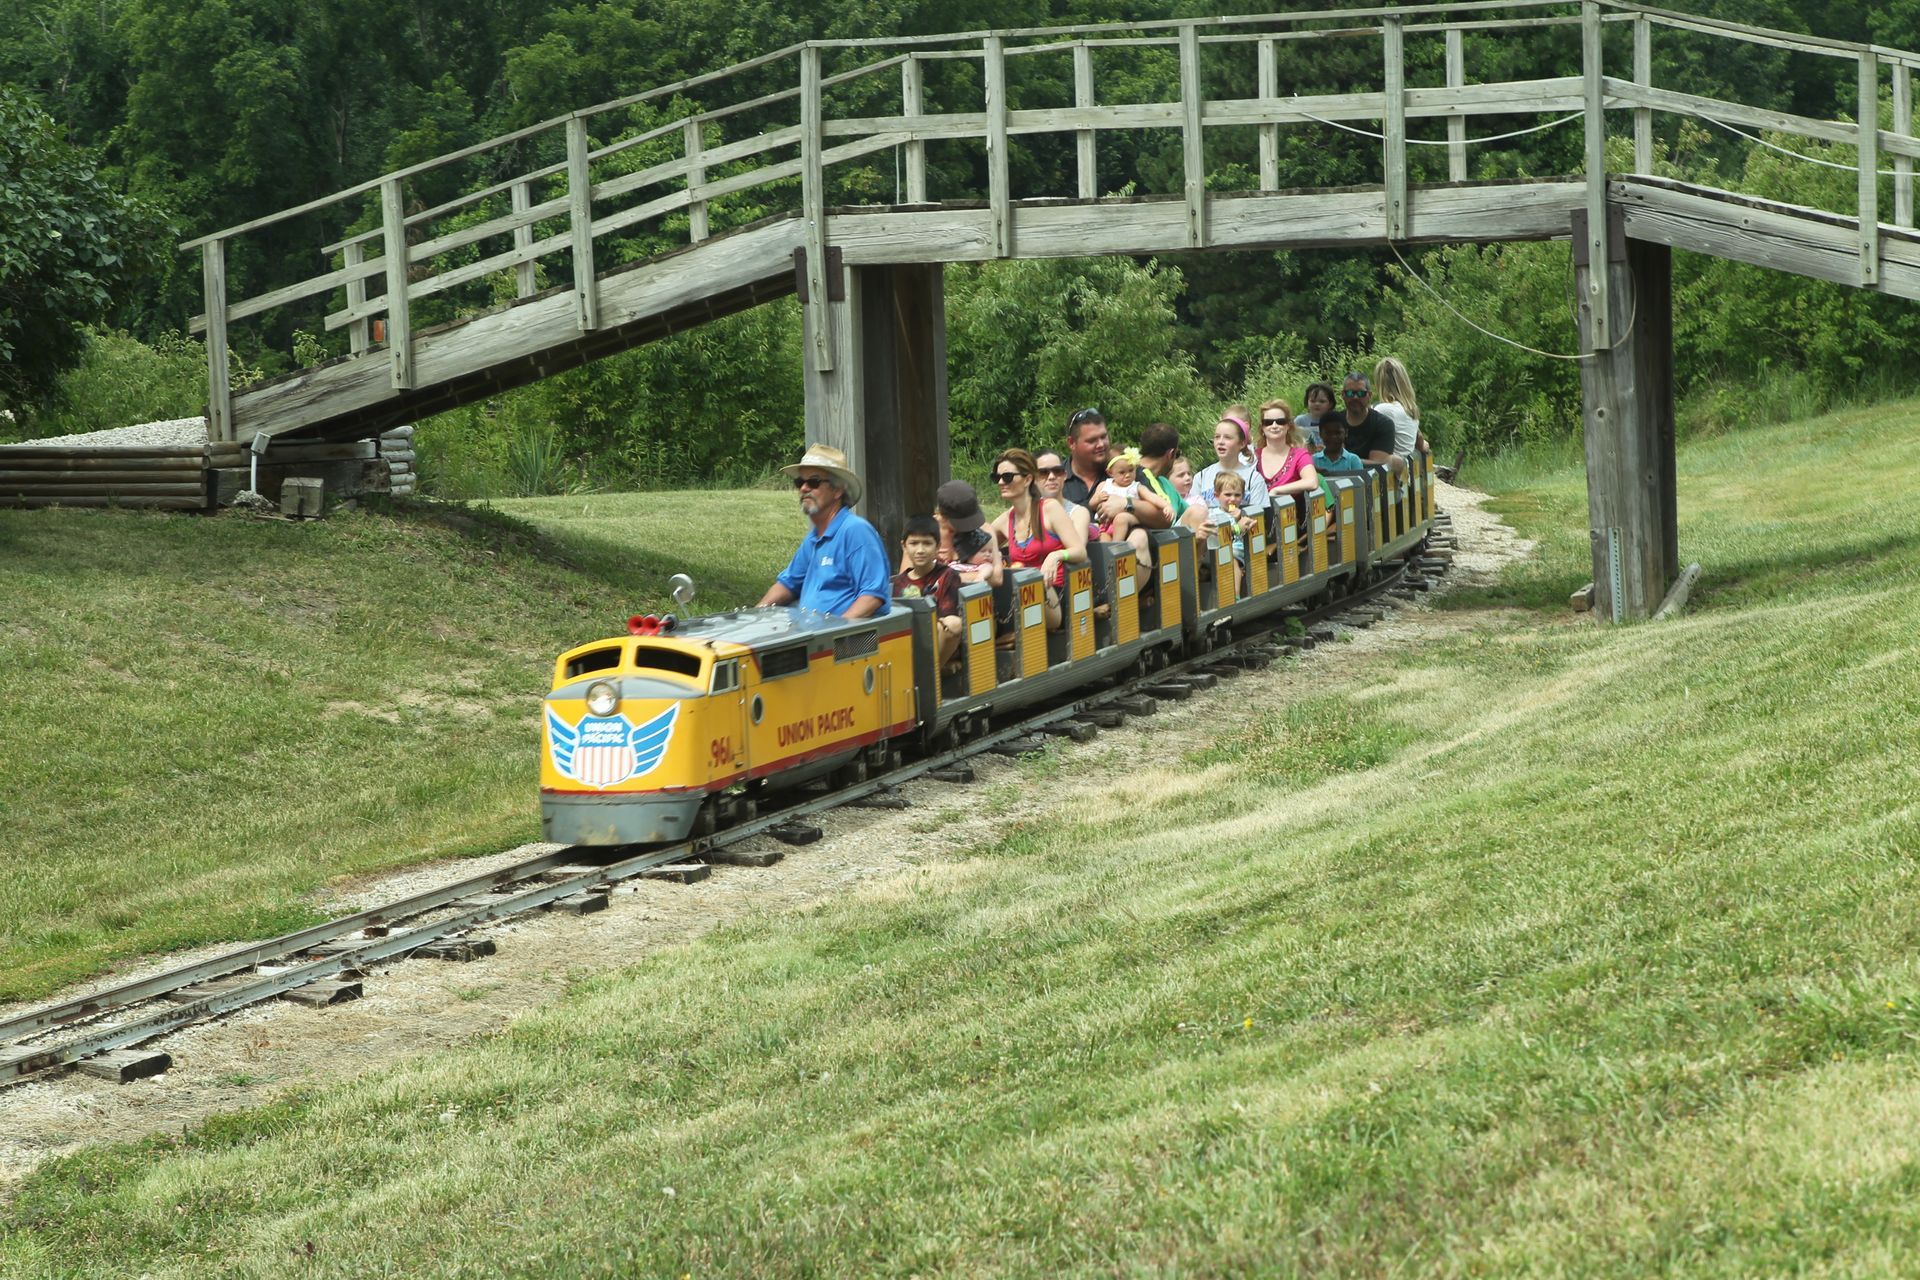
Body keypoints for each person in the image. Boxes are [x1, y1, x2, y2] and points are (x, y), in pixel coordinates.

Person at [759, 443, 892, 618]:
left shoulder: (855, 531)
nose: (804, 488)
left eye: (813, 482)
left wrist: (835, 632)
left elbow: (872, 596)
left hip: (840, 642)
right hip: (811, 637)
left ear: (837, 490)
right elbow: (788, 583)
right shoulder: (814, 538)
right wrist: (756, 615)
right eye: (800, 482)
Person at [988, 447, 1088, 631]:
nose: (1001, 482)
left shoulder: (1049, 509)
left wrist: (1055, 556)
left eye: (1007, 477)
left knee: (1034, 582)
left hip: (1054, 595)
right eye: (997, 478)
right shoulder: (1006, 519)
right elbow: (979, 541)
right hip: (1019, 596)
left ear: (1027, 479)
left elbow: (1080, 551)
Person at [894, 514, 962, 668]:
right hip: (911, 641)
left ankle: (933, 673)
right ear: (904, 546)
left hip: (939, 640)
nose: (920, 550)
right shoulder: (900, 582)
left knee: (952, 624)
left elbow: (948, 619)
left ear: (938, 546)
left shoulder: (948, 576)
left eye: (927, 543)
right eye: (914, 543)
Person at [1191, 410, 1272, 523]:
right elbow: (1192, 516)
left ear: (1242, 443)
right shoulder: (1201, 477)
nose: (1220, 442)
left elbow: (1261, 519)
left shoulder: (1253, 478)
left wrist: (1241, 515)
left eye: (1227, 438)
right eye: (1217, 437)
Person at [1137, 423, 1209, 537]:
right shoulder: (1136, 478)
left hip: (1173, 543)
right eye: (1177, 454)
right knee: (1198, 512)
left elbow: (1186, 512)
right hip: (1154, 546)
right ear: (1171, 454)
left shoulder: (1164, 482)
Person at [932, 479, 1003, 590]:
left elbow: (997, 578)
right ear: (943, 515)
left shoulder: (984, 531)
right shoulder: (926, 532)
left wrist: (948, 580)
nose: (969, 527)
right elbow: (909, 579)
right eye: (962, 523)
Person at [1252, 398, 1319, 506]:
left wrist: (1277, 491)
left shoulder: (1300, 455)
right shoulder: (1253, 457)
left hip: (1289, 518)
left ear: (1288, 425)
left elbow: (1312, 482)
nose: (1274, 426)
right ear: (1262, 427)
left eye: (1280, 422)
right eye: (1268, 422)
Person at [1333, 372, 1403, 473]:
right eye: (1350, 393)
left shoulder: (1383, 424)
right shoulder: (1334, 423)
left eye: (1361, 393)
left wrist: (1344, 460)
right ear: (1343, 395)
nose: (1355, 397)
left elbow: (1378, 465)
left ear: (1369, 395)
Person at [1206, 469, 1258, 595]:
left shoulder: (1243, 513)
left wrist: (1241, 519)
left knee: (1232, 560)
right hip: (1220, 550)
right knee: (1228, 556)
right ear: (1217, 495)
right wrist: (1235, 525)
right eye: (1228, 495)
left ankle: (1235, 596)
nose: (1232, 499)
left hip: (1239, 551)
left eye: (1237, 495)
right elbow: (1217, 535)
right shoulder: (1213, 514)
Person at [1372, 356, 1429, 462]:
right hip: (1406, 470)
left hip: (1389, 473)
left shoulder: (1383, 410)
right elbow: (1421, 441)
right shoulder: (1409, 410)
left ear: (1380, 383)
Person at [1034, 448, 1091, 545]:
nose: (1051, 477)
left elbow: (1078, 549)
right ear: (1033, 479)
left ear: (1064, 475)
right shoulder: (1026, 511)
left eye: (1057, 471)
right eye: (1043, 472)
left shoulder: (1078, 513)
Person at [1089, 448, 1146, 544]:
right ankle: (1109, 555)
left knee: (1121, 520)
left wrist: (1165, 506)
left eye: (1131, 470)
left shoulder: (1136, 486)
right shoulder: (1104, 485)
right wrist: (1098, 499)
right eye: (1122, 472)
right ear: (1110, 472)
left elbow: (1152, 498)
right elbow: (1092, 504)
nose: (1127, 475)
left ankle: (1117, 548)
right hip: (1105, 526)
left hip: (1126, 525)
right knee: (1103, 542)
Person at [1061, 408, 1110, 508]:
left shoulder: (1127, 470)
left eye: (1103, 437)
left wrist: (1128, 504)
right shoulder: (1054, 479)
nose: (1101, 444)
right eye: (1092, 440)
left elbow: (1151, 509)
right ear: (1071, 443)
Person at [1295, 381, 1337, 450]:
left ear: (1330, 404)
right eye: (1313, 401)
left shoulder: (1335, 421)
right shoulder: (1300, 421)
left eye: (1322, 401)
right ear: (1307, 402)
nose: (1317, 404)